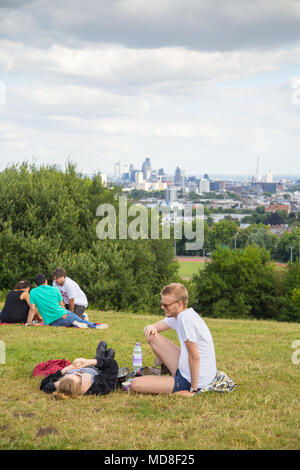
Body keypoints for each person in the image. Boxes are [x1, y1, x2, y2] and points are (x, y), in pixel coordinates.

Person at [130, 283, 217, 396]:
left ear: (179, 303)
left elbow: (195, 356)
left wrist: (193, 390)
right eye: (162, 304)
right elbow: (152, 329)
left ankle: (187, 386)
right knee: (151, 335)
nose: (162, 307)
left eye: (166, 305)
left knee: (135, 384)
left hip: (193, 379)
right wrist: (150, 327)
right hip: (185, 369)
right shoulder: (179, 315)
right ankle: (165, 369)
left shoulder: (185, 319)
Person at [28, 274, 108, 329]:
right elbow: (62, 306)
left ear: (36, 284)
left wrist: (29, 323)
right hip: (63, 316)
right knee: (80, 321)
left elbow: (32, 309)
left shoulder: (33, 292)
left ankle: (77, 321)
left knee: (72, 323)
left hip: (53, 323)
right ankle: (94, 325)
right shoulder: (55, 290)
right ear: (46, 281)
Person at [40, 341, 118, 398]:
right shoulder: (98, 386)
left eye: (69, 374)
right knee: (107, 358)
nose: (77, 373)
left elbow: (44, 384)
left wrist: (64, 370)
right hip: (96, 368)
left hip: (85, 366)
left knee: (103, 351)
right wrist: (89, 362)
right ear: (82, 387)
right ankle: (104, 355)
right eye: (78, 376)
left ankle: (101, 354)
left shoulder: (61, 386)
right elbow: (113, 366)